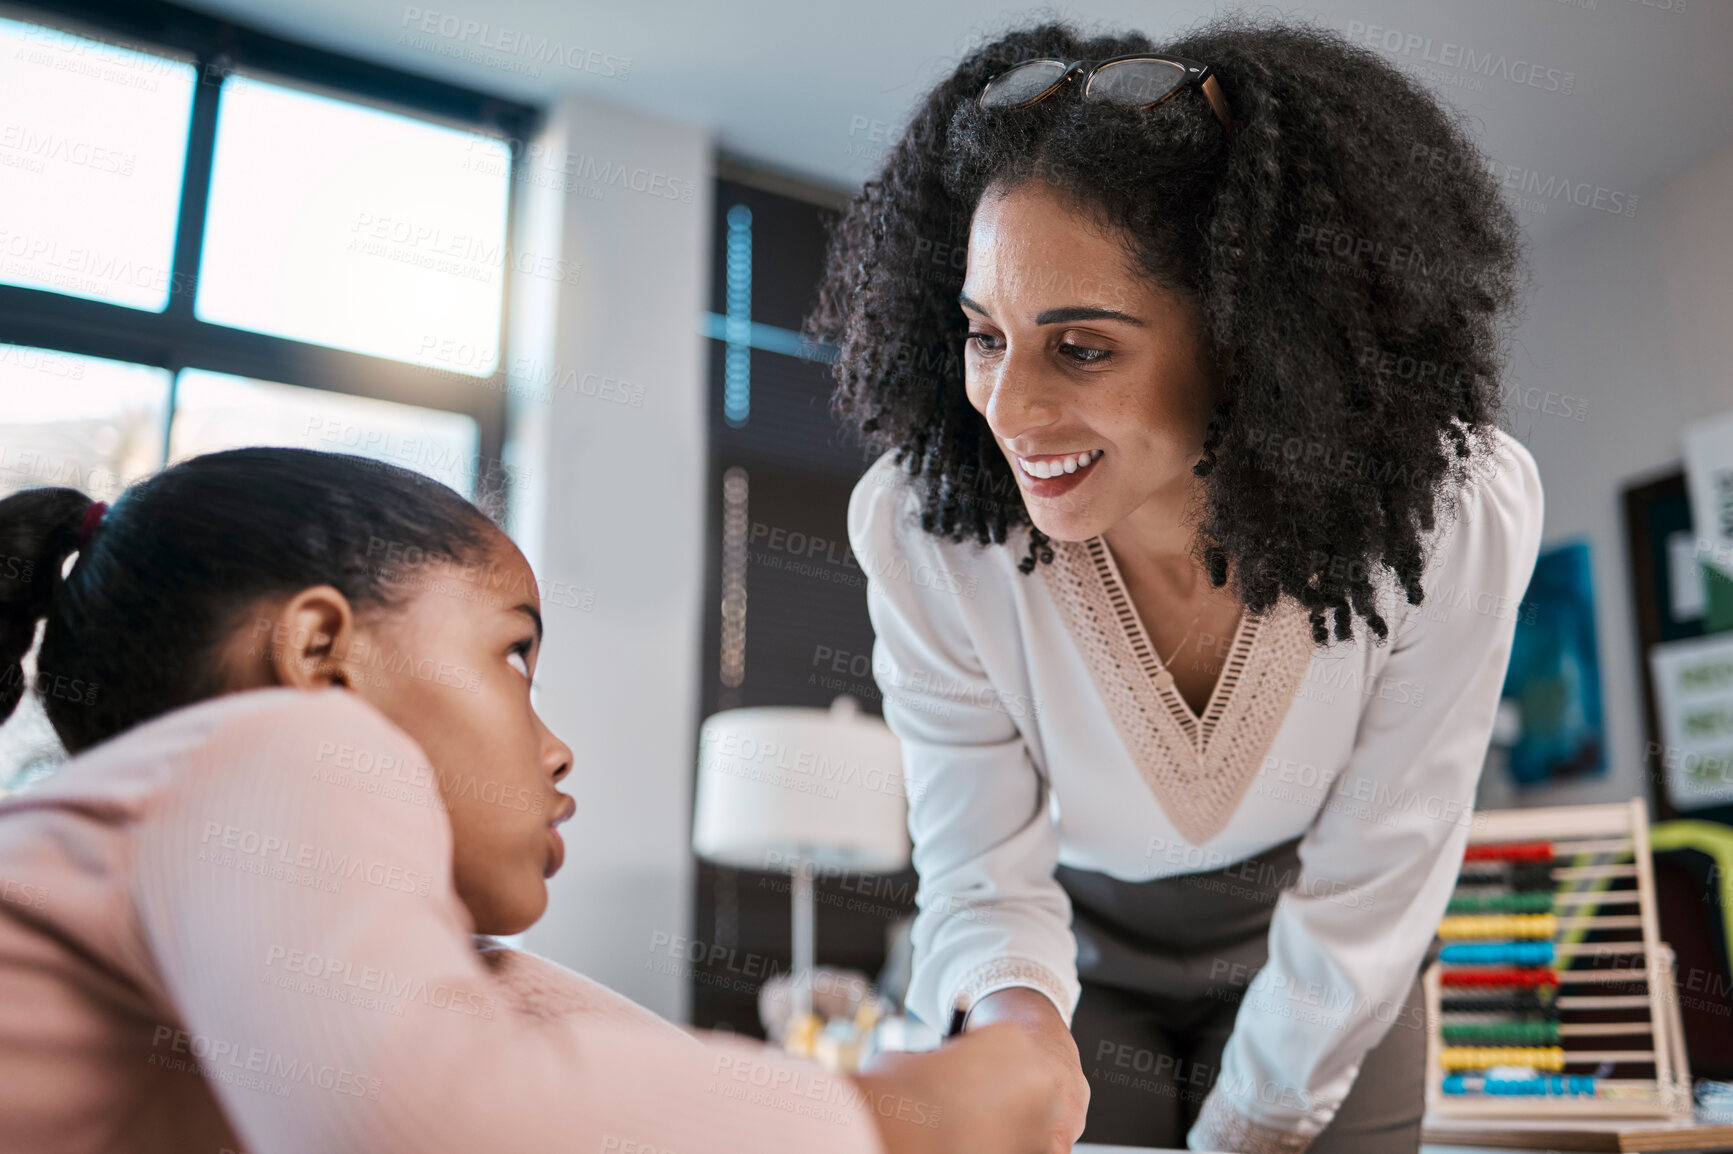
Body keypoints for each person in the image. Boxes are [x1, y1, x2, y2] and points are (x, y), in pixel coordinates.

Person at [811, 17, 1544, 1154]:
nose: (1003, 410)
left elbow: (1379, 868)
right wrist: (1016, 1032)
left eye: (1081, 347)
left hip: (1327, 956)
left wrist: (1250, 1125)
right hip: (1065, 951)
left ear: (1250, 336)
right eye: (981, 334)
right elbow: (977, 866)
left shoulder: (1446, 508)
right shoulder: (924, 531)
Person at [0, 447, 1059, 1154]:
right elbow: (436, 1117)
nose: (556, 750)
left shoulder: (247, 906)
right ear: (321, 650)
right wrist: (903, 1117)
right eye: (514, 654)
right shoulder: (276, 750)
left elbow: (569, 1068)